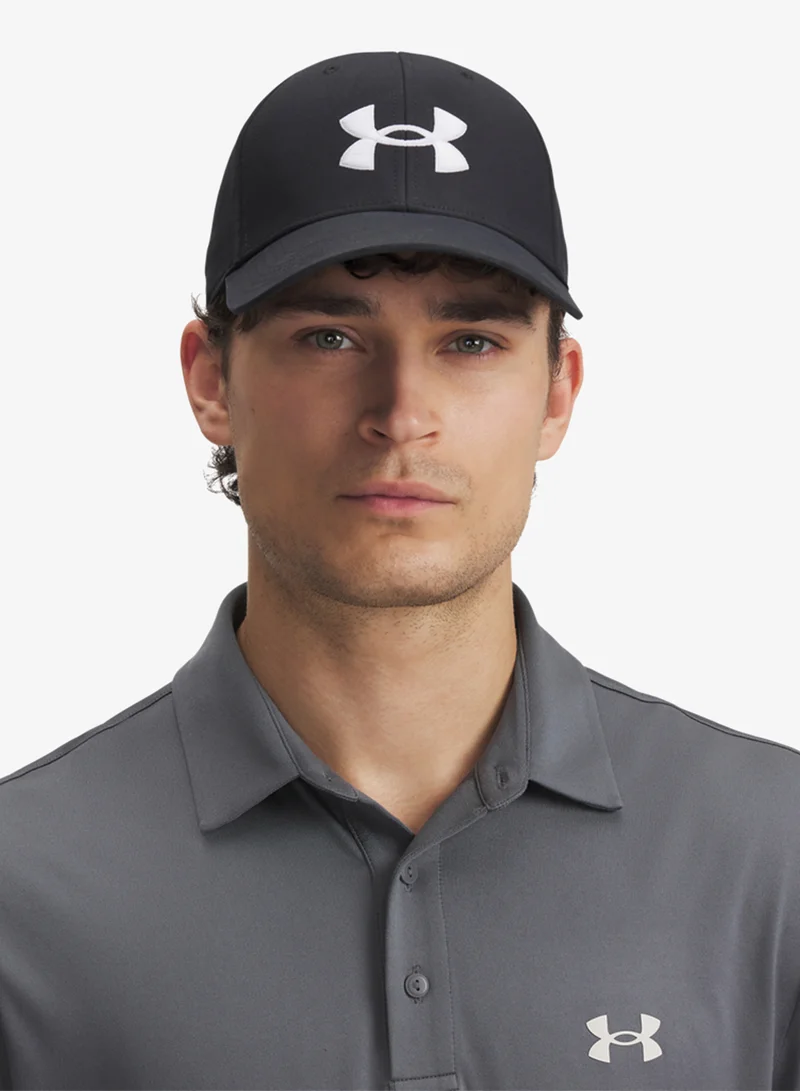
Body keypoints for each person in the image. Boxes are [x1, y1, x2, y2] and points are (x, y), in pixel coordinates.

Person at [0, 50, 797, 1091]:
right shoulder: (24, 886)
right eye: (330, 335)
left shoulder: (770, 852)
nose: (401, 413)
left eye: (471, 341)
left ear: (557, 393)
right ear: (211, 381)